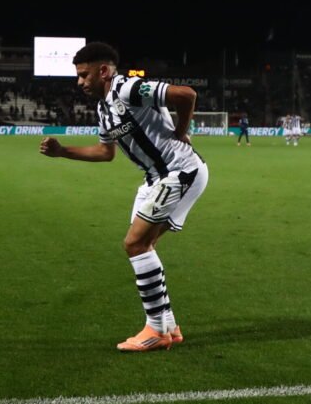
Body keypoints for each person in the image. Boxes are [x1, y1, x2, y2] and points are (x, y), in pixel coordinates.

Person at [39, 42, 208, 352]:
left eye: (84, 75)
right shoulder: (103, 109)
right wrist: (63, 152)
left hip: (179, 171)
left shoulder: (127, 88)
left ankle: (155, 329)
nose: (79, 82)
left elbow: (186, 95)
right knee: (144, 246)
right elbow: (105, 152)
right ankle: (168, 325)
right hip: (156, 179)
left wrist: (180, 131)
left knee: (135, 244)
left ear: (103, 71)